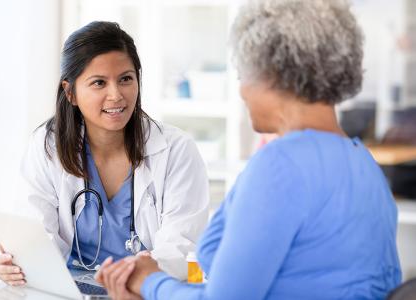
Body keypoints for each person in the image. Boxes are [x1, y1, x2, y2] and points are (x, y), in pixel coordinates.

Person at [95, 0, 402, 299]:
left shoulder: (282, 165)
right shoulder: (364, 164)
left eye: (243, 75)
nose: (242, 91)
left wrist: (150, 282)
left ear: (276, 73)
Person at [0, 21, 209, 287]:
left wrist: (130, 280)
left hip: (145, 290)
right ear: (70, 92)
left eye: (126, 79)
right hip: (65, 292)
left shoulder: (177, 150)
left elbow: (182, 246)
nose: (116, 95)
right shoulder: (46, 147)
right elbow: (35, 240)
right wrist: (18, 265)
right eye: (99, 83)